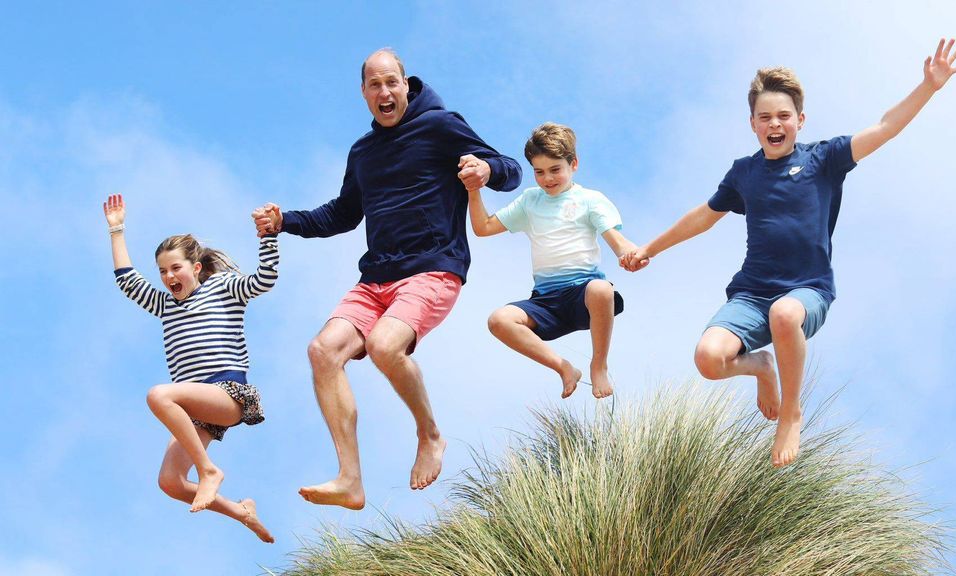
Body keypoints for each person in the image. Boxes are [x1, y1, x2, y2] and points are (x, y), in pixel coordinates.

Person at [623, 38, 956, 468]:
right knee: (709, 359)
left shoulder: (825, 159)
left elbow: (885, 126)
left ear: (799, 120)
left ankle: (791, 413)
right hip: (751, 294)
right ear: (752, 123)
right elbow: (703, 216)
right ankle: (762, 367)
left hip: (808, 290)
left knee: (785, 314)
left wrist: (929, 87)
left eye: (783, 116)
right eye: (765, 116)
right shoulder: (744, 172)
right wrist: (649, 249)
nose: (775, 123)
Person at [252, 48, 521, 508]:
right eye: (374, 85)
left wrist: (484, 168)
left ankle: (430, 435)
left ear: (405, 83)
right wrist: (284, 222)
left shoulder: (440, 126)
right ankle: (350, 480)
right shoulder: (363, 152)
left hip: (434, 267)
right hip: (376, 278)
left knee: (383, 345)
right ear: (363, 93)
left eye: (391, 82)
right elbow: (341, 214)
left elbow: (511, 172)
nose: (384, 92)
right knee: (322, 351)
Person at [103, 193, 278, 543]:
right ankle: (241, 512)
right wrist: (117, 230)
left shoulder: (222, 288)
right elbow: (126, 280)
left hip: (227, 393)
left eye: (176, 268)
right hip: (196, 408)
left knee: (158, 395)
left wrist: (269, 237)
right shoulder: (165, 304)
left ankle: (209, 471)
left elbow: (264, 280)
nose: (169, 276)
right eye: (163, 271)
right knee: (170, 482)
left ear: (196, 268)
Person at [466, 122, 636, 399]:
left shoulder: (590, 199)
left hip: (584, 296)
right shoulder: (530, 201)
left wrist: (627, 254)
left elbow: (616, 240)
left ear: (574, 164)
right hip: (546, 301)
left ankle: (599, 365)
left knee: (602, 288)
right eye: (539, 172)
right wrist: (474, 190)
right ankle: (564, 368)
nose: (547, 179)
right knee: (499, 320)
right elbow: (483, 228)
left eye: (555, 169)